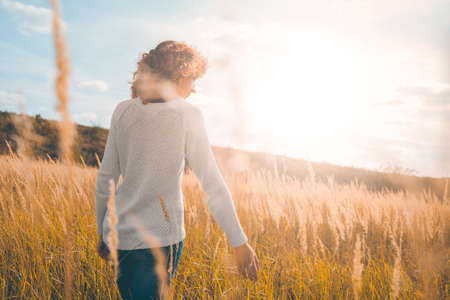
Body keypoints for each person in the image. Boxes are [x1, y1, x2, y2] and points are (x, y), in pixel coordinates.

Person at [95, 40, 259, 299]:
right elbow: (212, 183)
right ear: (180, 74)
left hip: (120, 238)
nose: (194, 89)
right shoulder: (188, 115)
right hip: (161, 242)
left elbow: (107, 178)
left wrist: (103, 231)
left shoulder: (122, 111)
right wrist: (239, 242)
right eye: (193, 79)